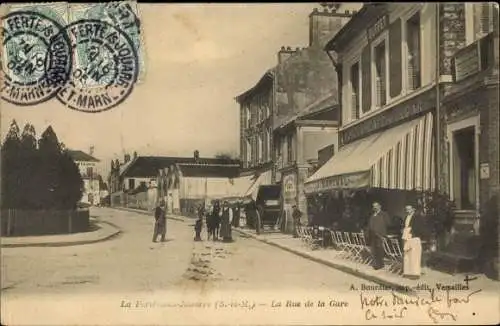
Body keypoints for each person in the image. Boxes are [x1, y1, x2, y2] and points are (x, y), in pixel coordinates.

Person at [402, 204, 427, 279]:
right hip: (407, 237)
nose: (407, 211)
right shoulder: (406, 217)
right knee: (407, 256)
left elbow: (420, 227)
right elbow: (405, 226)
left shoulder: (418, 217)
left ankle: (415, 274)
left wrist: (413, 232)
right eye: (406, 209)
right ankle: (408, 273)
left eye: (409, 209)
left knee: (415, 256)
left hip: (414, 238)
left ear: (413, 209)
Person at [367, 201, 391, 270]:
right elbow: (370, 225)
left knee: (380, 250)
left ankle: (380, 264)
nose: (375, 207)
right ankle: (376, 265)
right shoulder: (372, 215)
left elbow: (388, 223)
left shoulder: (384, 214)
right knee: (374, 250)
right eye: (374, 206)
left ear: (380, 206)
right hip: (373, 235)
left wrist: (383, 232)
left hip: (380, 235)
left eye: (376, 206)